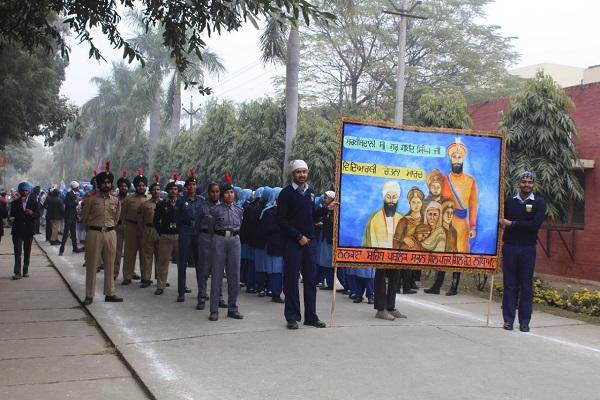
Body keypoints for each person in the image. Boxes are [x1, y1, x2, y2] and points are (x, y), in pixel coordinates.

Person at [277, 160, 334, 330]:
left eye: (304, 172)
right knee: (291, 280)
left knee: (310, 280)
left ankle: (311, 316)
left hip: (310, 242)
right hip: (293, 243)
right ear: (292, 174)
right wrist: (297, 236)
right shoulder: (286, 193)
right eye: (298, 172)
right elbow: (281, 220)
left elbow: (311, 215)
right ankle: (292, 317)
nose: (301, 175)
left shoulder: (310, 192)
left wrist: (326, 208)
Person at [499, 171, 546, 332]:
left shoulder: (539, 203)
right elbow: (501, 221)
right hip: (510, 246)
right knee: (509, 285)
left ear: (534, 185)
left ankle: (525, 322)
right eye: (524, 182)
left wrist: (511, 224)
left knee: (526, 286)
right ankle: (508, 320)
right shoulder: (509, 201)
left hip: (528, 248)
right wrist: (502, 223)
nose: (527, 185)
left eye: (530, 182)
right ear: (519, 183)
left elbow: (534, 226)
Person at [80, 163, 123, 305]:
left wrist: (110, 228)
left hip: (111, 233)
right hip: (94, 232)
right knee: (92, 265)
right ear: (98, 184)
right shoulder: (90, 199)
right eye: (103, 182)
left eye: (109, 182)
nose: (106, 184)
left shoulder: (116, 200)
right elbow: (84, 217)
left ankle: (110, 293)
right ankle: (89, 295)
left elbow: (116, 218)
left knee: (110, 264)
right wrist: (92, 229)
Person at [208, 176, 244, 321]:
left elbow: (241, 226)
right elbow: (211, 229)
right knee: (217, 275)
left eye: (232, 192)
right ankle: (214, 310)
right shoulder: (216, 210)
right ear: (222, 195)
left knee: (234, 276)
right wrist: (216, 239)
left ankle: (232, 308)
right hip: (219, 239)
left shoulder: (239, 210)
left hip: (235, 240)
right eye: (227, 192)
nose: (230, 195)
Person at [368, 181, 405, 320]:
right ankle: (380, 309)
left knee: (395, 279)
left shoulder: (401, 218)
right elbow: (373, 240)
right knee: (380, 280)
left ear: (397, 199)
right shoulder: (375, 218)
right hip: (381, 255)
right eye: (388, 196)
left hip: (396, 254)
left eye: (394, 197)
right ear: (384, 198)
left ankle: (391, 306)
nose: (391, 200)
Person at [441, 139, 478, 253]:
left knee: (461, 255)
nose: (457, 160)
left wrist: (472, 227)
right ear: (450, 159)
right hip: (446, 224)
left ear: (463, 159)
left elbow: (473, 205)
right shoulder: (444, 180)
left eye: (459, 157)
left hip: (462, 225)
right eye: (454, 157)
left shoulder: (470, 181)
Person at [196, 182, 226, 310]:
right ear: (208, 193)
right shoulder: (203, 206)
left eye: (217, 191)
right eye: (212, 192)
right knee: (203, 270)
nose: (215, 194)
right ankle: (202, 298)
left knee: (218, 270)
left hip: (219, 240)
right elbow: (196, 225)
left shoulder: (223, 207)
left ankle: (219, 297)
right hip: (205, 239)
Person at [175, 169, 203, 302]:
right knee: (183, 262)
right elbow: (177, 218)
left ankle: (201, 291)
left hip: (197, 232)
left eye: (194, 185)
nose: (192, 187)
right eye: (189, 185)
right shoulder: (181, 201)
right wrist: (182, 230)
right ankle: (181, 292)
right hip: (185, 231)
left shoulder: (201, 201)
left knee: (199, 263)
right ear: (186, 187)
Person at [393, 186, 425, 295]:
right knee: (402, 269)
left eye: (418, 202)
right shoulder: (404, 220)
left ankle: (408, 286)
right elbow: (396, 236)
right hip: (404, 250)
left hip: (417, 251)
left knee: (410, 270)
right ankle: (398, 287)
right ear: (410, 204)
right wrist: (403, 238)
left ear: (422, 203)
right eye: (413, 202)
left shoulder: (424, 220)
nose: (416, 205)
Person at [425, 200, 461, 295]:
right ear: (442, 214)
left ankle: (454, 287)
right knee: (441, 264)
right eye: (447, 213)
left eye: (451, 213)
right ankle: (436, 287)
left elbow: (454, 246)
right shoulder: (439, 229)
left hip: (452, 254)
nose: (449, 216)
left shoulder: (453, 231)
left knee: (456, 266)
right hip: (442, 254)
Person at [121, 168, 149, 285]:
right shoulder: (129, 199)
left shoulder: (149, 199)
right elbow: (122, 214)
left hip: (144, 229)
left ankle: (145, 277)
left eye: (143, 185)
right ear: (136, 186)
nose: (141, 187)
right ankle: (127, 276)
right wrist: (124, 227)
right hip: (131, 227)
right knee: (129, 253)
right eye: (139, 185)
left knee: (145, 253)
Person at [153, 176, 179, 295]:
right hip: (166, 236)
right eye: (171, 189)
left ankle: (182, 285)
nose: (173, 191)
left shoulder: (182, 203)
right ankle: (160, 285)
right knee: (163, 262)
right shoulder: (161, 204)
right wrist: (161, 232)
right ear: (168, 191)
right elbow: (156, 220)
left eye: (175, 189)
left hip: (178, 236)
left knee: (181, 262)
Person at [259, 187, 285, 303]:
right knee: (276, 271)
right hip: (275, 246)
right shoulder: (269, 212)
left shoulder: (287, 212)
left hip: (285, 247)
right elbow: (267, 229)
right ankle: (275, 293)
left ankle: (278, 292)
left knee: (282, 272)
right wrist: (282, 226)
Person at [10, 181, 39, 279]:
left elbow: (38, 215)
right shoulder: (14, 203)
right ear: (19, 191)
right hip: (17, 230)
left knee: (27, 251)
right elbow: (11, 215)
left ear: (29, 191)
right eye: (22, 190)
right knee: (17, 251)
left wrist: (31, 213)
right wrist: (11, 219)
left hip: (28, 231)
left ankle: (25, 270)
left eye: (26, 190)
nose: (24, 192)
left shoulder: (33, 203)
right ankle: (17, 272)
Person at [139, 175, 161, 288]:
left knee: (160, 256)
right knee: (147, 256)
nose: (156, 191)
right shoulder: (145, 204)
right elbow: (140, 219)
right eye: (154, 189)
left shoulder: (164, 204)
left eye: (158, 189)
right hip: (148, 229)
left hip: (160, 231)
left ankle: (160, 279)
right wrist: (143, 231)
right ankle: (146, 278)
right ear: (151, 191)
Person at [113, 171, 131, 280]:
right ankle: (114, 272)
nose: (124, 187)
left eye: (126, 186)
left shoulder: (131, 198)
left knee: (130, 251)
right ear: (119, 187)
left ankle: (129, 272)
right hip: (118, 226)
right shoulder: (114, 199)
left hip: (129, 227)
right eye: (122, 186)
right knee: (117, 251)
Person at [59, 181, 83, 256]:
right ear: (75, 187)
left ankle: (75, 248)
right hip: (69, 217)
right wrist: (76, 201)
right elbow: (69, 205)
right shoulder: (69, 194)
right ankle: (61, 250)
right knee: (66, 233)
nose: (79, 188)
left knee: (73, 233)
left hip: (72, 217)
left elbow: (73, 208)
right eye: (78, 187)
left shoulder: (73, 194)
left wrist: (76, 216)